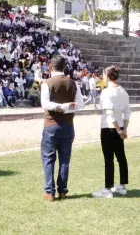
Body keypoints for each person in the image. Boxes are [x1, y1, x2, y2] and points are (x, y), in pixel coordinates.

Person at [40, 56, 84, 201]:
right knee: (65, 159)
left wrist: (59, 108)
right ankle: (62, 191)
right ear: (64, 67)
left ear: (51, 66)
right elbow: (80, 105)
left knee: (48, 159)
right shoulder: (73, 83)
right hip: (68, 126)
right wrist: (66, 107)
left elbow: (45, 104)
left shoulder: (47, 83)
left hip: (51, 125)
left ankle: (49, 192)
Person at [92, 66, 130, 198]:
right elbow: (127, 111)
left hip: (109, 128)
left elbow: (109, 113)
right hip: (119, 126)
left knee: (109, 159)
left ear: (107, 76)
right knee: (121, 157)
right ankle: (122, 186)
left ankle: (108, 189)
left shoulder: (106, 92)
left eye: (103, 74)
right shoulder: (123, 91)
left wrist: (120, 130)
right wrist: (124, 128)